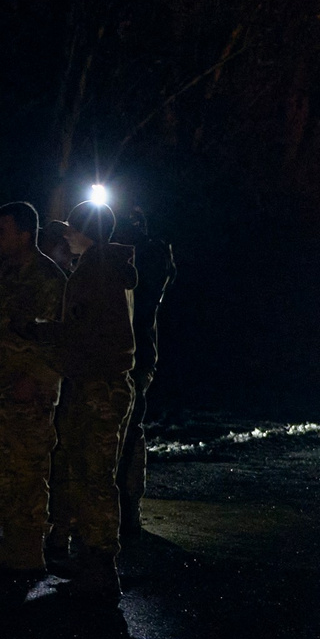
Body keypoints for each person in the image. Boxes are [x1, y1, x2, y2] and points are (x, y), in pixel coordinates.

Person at [39, 200, 138, 598]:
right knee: (88, 470)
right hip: (102, 382)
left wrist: (44, 333)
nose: (66, 236)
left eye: (72, 229)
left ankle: (100, 563)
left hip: (99, 384)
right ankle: (92, 558)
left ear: (85, 232)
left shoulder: (94, 272)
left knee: (96, 475)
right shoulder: (106, 268)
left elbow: (81, 333)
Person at [0, 201, 66, 572]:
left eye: (4, 230)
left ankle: (29, 549)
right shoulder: (4, 273)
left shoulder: (47, 278)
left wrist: (37, 379)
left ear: (26, 235)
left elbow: (56, 339)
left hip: (29, 391)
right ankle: (12, 539)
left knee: (28, 469)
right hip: (0, 386)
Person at [118, 207, 178, 542]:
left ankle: (127, 510)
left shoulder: (150, 256)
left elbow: (146, 294)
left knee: (128, 433)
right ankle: (119, 511)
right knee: (122, 433)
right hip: (124, 353)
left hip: (135, 354)